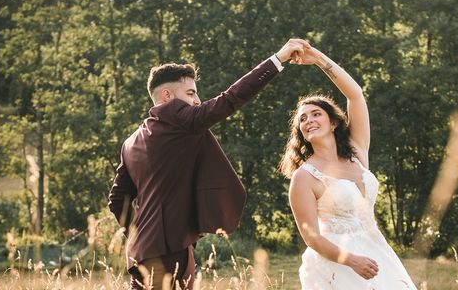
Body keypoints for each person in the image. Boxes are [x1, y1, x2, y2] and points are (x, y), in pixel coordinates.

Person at [108, 38, 309, 290]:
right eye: (191, 93)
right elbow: (230, 99)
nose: (197, 100)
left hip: (141, 251)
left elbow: (117, 199)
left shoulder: (130, 142)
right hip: (171, 250)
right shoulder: (179, 119)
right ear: (167, 95)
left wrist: (141, 235)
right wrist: (278, 59)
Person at [280, 45, 417, 289]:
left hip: (378, 253)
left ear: (333, 122)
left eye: (315, 114)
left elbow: (355, 95)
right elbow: (311, 236)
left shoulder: (357, 153)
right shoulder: (305, 177)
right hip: (337, 264)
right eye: (302, 119)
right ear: (300, 132)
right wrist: (351, 260)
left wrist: (319, 59)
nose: (309, 120)